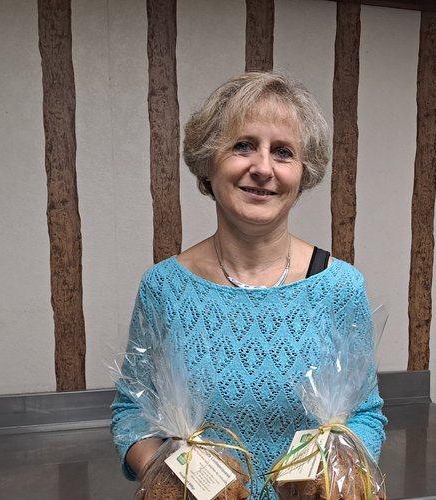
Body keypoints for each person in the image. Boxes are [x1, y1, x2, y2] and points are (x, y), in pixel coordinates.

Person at [110, 71, 386, 496]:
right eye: (243, 146)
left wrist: (332, 474)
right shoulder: (163, 288)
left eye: (283, 152)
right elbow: (131, 413)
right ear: (208, 162)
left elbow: (366, 415)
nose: (262, 168)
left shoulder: (341, 287)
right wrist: (172, 475)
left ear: (303, 172)